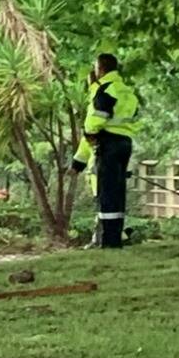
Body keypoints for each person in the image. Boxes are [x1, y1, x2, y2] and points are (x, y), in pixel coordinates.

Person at [73, 52, 139, 248]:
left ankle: (109, 241)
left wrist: (90, 131)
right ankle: (115, 236)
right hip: (125, 142)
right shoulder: (126, 90)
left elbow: (97, 118)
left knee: (107, 193)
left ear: (100, 69)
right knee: (117, 192)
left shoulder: (105, 89)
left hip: (108, 143)